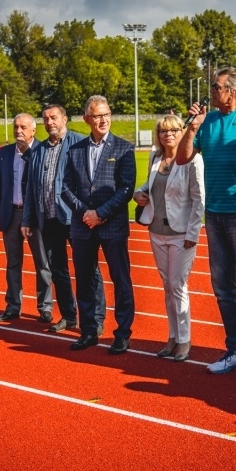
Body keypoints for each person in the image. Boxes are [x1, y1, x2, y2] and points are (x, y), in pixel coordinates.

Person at [177, 67, 236, 381]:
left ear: (232, 90)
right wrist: (192, 128)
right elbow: (182, 158)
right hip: (215, 213)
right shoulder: (209, 121)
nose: (212, 92)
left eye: (217, 87)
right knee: (222, 287)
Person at [21, 104, 107, 334]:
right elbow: (30, 188)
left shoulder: (80, 143)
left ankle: (96, 319)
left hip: (76, 218)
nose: (50, 122)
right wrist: (27, 219)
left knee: (88, 269)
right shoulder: (37, 151)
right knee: (58, 270)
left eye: (54, 117)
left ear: (65, 119)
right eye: (46, 119)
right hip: (47, 218)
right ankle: (69, 316)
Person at [61, 95, 136, 354]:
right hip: (83, 226)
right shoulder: (75, 150)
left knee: (120, 280)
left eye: (106, 114)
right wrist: (86, 213)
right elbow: (66, 188)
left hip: (112, 225)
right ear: (87, 120)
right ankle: (89, 330)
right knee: (85, 281)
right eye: (97, 115)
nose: (103, 119)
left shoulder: (124, 148)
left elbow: (126, 189)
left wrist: (100, 213)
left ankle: (122, 333)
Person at [134, 114, 205, 362]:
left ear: (182, 132)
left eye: (174, 130)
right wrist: (138, 192)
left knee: (177, 285)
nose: (169, 135)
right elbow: (150, 185)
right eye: (164, 131)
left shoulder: (193, 159)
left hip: (181, 235)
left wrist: (193, 234)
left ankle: (184, 340)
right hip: (157, 232)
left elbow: (199, 200)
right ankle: (172, 337)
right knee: (167, 287)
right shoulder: (155, 158)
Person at [0, 114, 51, 323]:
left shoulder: (42, 151)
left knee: (42, 263)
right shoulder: (4, 153)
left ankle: (45, 307)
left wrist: (28, 153)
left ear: (33, 130)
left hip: (34, 216)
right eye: (16, 127)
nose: (18, 131)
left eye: (23, 127)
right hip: (10, 214)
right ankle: (13, 305)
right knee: (13, 263)